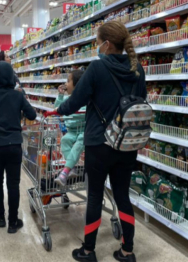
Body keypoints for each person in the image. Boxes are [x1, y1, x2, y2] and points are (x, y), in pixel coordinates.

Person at [54, 21, 146, 262]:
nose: (97, 47)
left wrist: (59, 109)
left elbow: (75, 102)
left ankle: (88, 251)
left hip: (98, 142)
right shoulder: (138, 69)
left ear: (106, 44)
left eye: (97, 43)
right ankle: (127, 251)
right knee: (122, 196)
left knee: (95, 195)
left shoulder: (96, 68)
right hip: (127, 144)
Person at [0, 61, 36, 234]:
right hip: (14, 144)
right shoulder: (17, 96)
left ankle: (0, 217)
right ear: (11, 77)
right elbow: (32, 114)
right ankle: (13, 222)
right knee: (13, 184)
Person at [53, 70, 86, 186]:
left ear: (77, 85)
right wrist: (60, 96)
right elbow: (57, 109)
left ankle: (65, 171)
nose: (66, 84)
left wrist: (67, 116)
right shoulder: (68, 99)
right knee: (64, 140)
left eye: (68, 81)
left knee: (79, 144)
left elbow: (83, 112)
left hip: (83, 130)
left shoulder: (85, 98)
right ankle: (71, 168)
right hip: (72, 131)